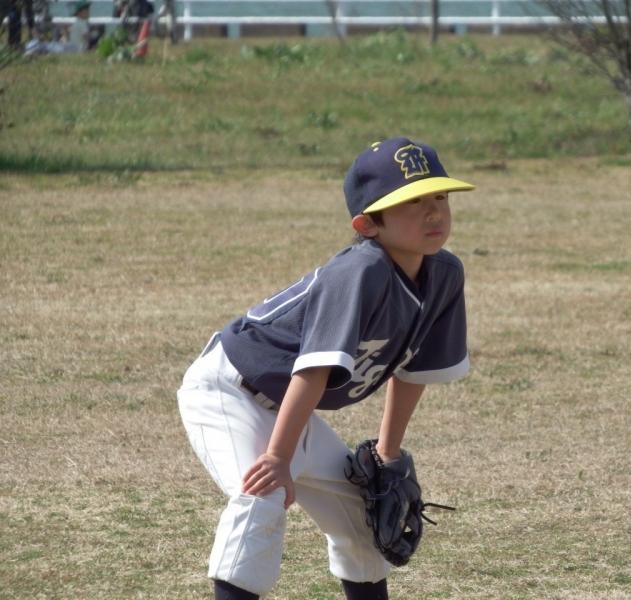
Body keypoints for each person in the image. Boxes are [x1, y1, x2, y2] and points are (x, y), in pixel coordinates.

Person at [177, 136, 476, 600]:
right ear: (367, 224)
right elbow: (312, 371)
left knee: (360, 516)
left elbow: (413, 371)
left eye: (439, 196)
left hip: (289, 405)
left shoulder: (444, 274)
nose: (433, 212)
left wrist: (387, 452)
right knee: (262, 495)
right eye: (411, 202)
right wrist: (278, 459)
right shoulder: (359, 271)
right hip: (229, 389)